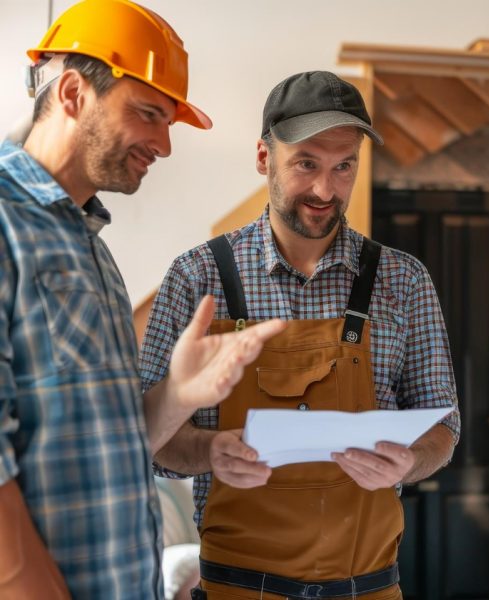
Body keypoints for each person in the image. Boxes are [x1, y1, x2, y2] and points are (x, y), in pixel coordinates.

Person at [0, 1, 285, 598]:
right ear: (74, 93)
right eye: (149, 114)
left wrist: (180, 395)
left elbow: (112, 445)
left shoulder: (91, 245)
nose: (164, 143)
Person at [141, 70, 461, 599]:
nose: (324, 189)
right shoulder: (197, 278)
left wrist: (411, 460)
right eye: (306, 164)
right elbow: (151, 443)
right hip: (235, 591)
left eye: (343, 167)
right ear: (264, 158)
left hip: (369, 589)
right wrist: (210, 451)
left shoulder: (403, 280)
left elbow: (443, 424)